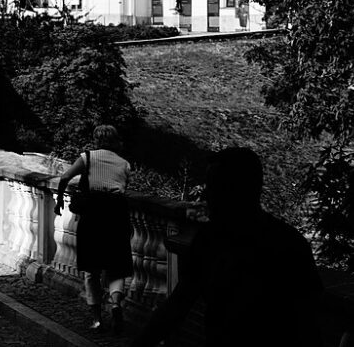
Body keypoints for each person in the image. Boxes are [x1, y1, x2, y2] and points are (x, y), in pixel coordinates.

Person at [131, 147, 323, 347]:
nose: (208, 197)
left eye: (215, 188)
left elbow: (179, 303)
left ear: (237, 191)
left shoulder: (213, 239)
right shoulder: (288, 242)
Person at [55, 125, 133, 333]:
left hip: (94, 215)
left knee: (92, 268)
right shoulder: (124, 163)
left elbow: (64, 178)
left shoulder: (88, 157)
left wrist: (59, 200)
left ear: (96, 139)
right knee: (117, 265)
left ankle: (97, 319)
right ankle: (116, 305)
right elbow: (123, 190)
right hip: (117, 215)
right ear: (116, 140)